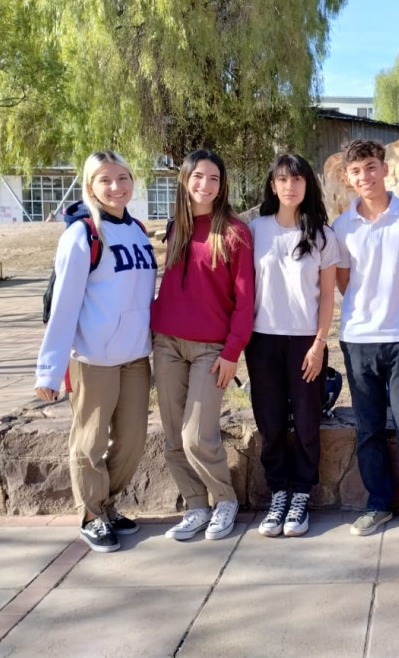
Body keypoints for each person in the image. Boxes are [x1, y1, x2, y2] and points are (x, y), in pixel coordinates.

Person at [35, 151, 157, 553]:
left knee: (132, 441)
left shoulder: (138, 230)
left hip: (135, 356)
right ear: (90, 186)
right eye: (105, 180)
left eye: (123, 178)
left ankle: (107, 503)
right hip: (93, 358)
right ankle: (91, 514)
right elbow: (65, 306)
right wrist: (49, 371)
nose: (116, 187)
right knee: (88, 442)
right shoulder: (81, 234)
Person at [332, 139, 399, 538]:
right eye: (357, 170)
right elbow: (344, 282)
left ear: (385, 168)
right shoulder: (342, 226)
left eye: (372, 167)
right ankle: (378, 504)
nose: (366, 176)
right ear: (348, 178)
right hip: (358, 339)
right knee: (369, 428)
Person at [152, 149, 254, 542]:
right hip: (166, 344)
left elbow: (245, 301)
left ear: (222, 184)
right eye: (198, 176)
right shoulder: (176, 225)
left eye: (213, 178)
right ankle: (196, 504)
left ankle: (224, 499)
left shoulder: (234, 232)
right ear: (184, 179)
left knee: (198, 435)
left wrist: (232, 352)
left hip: (211, 349)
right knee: (175, 436)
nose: (205, 185)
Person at [246, 153, 338, 538]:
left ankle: (301, 493)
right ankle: (278, 493)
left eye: (297, 179)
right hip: (262, 340)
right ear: (272, 185)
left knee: (305, 422)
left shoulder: (322, 234)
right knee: (269, 421)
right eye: (282, 179)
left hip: (305, 341)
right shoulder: (255, 230)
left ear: (307, 186)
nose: (290, 186)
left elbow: (329, 297)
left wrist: (319, 344)